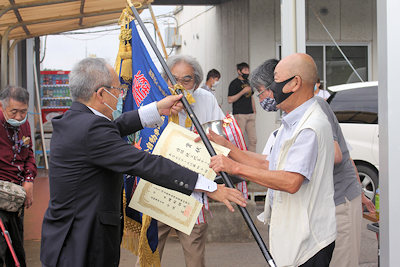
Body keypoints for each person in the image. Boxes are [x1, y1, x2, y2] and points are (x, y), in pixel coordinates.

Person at [40, 57, 246, 267]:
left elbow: (115, 128)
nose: (120, 95)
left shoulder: (75, 120)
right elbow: (146, 163)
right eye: (118, 89)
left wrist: (157, 108)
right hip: (81, 243)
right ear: (101, 94)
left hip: (71, 237)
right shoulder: (91, 129)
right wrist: (207, 186)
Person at [209, 53, 337, 266]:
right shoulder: (292, 122)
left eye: (276, 80)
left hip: (309, 242)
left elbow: (290, 181)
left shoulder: (310, 126)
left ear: (294, 83)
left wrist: (235, 168)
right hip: (292, 235)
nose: (271, 88)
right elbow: (268, 164)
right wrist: (227, 147)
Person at [251, 59, 376, 267]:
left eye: (262, 91)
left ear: (289, 84)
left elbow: (335, 155)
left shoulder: (314, 108)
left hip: (337, 203)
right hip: (320, 206)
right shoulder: (291, 115)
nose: (261, 98)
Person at [157, 55, 226, 267]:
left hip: (194, 189)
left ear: (196, 83)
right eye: (172, 79)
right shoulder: (155, 100)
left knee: (194, 250)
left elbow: (219, 138)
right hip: (157, 188)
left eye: (185, 80)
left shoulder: (207, 100)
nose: (177, 85)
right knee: (150, 250)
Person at [0, 86, 37, 267]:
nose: (18, 117)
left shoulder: (25, 125)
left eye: (23, 112)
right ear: (2, 107)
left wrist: (29, 180)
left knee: (16, 249)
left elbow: (29, 155)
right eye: (13, 112)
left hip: (17, 196)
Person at [228, 62, 257, 152]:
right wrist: (242, 92)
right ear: (239, 71)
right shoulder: (234, 83)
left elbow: (251, 96)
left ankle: (252, 159)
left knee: (253, 140)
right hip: (240, 114)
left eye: (248, 70)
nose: (247, 72)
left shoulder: (249, 82)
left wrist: (254, 110)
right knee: (239, 140)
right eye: (245, 70)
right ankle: (240, 159)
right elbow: (230, 100)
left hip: (250, 113)